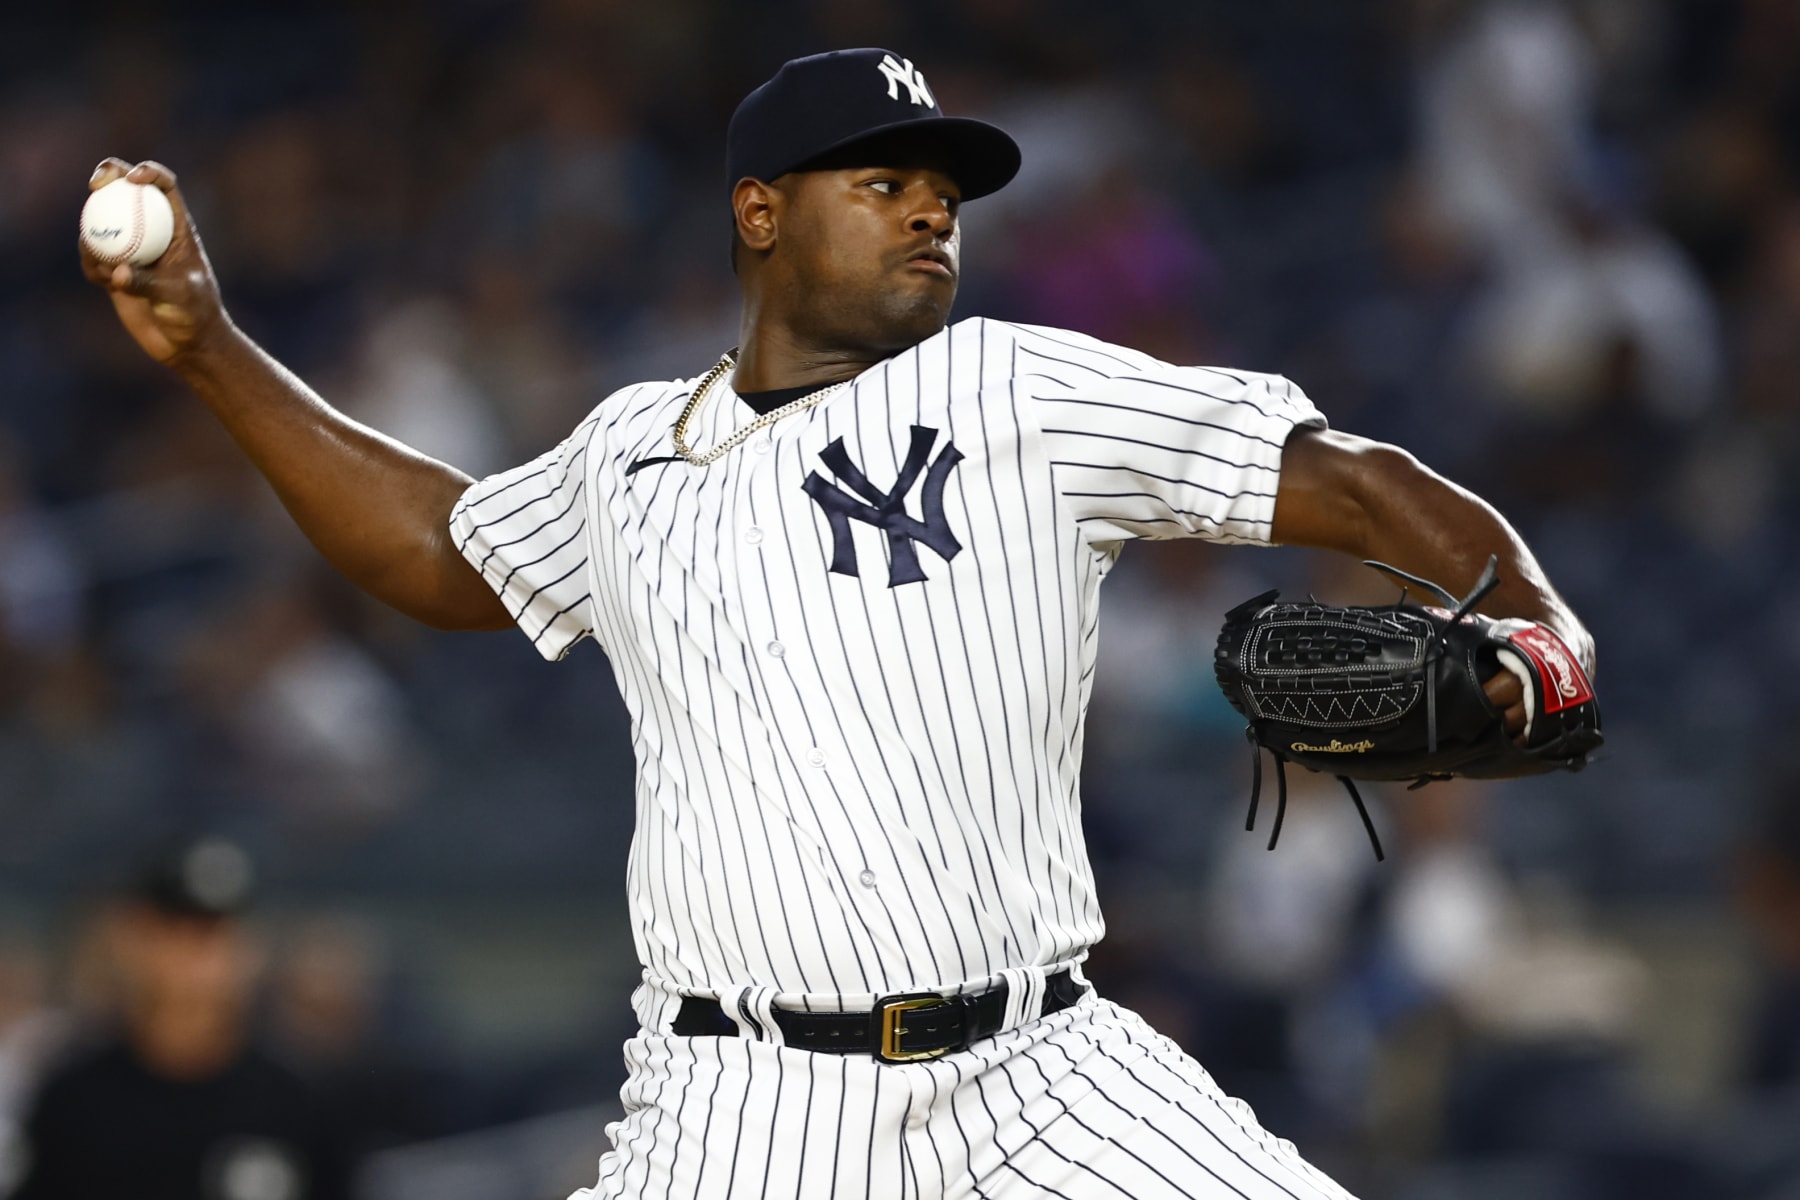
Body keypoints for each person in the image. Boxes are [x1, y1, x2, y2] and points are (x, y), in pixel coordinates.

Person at [80, 47, 1592, 1200]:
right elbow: (436, 552)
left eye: (940, 188)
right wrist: (213, 351)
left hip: (1040, 1072)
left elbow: (1356, 483)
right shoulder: (629, 457)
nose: (931, 205)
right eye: (881, 181)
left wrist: (1540, 636)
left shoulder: (1017, 389)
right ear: (760, 211)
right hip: (739, 1104)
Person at [8, 838, 350, 1200]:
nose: (193, 956)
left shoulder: (295, 1105)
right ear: (132, 938)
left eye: (212, 932)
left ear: (251, 945)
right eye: (173, 929)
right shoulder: (74, 1102)